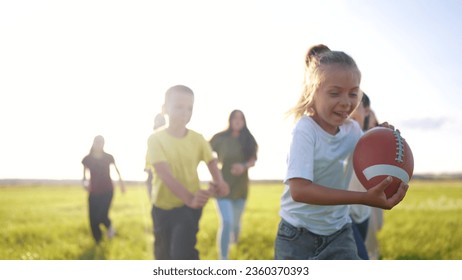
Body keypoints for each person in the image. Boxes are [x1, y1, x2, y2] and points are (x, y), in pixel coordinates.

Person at [274, 44, 408, 260]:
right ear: (312, 92)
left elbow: (369, 155)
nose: (346, 103)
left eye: (353, 94)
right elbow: (300, 191)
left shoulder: (353, 130)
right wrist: (363, 198)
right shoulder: (305, 130)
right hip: (297, 236)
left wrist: (381, 137)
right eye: (335, 93)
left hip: (339, 232)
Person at [146, 85, 229, 260]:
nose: (185, 112)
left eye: (189, 108)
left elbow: (211, 161)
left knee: (182, 253)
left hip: (188, 208)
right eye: (178, 107)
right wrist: (189, 197)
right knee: (163, 256)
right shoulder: (155, 139)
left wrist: (219, 182)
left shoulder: (197, 139)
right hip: (162, 207)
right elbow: (164, 173)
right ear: (164, 109)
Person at [210, 110, 258, 260]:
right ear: (229, 120)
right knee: (227, 222)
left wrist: (243, 166)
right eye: (235, 118)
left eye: (241, 118)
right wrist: (213, 170)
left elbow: (253, 160)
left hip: (241, 188)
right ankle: (223, 259)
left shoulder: (249, 140)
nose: (238, 121)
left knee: (235, 225)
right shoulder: (220, 138)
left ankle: (235, 242)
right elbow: (205, 151)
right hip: (223, 186)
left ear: (244, 122)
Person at [82, 135, 125, 244]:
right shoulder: (88, 158)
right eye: (97, 142)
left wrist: (121, 184)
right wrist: (84, 183)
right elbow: (84, 174)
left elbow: (117, 170)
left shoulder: (108, 157)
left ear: (103, 144)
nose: (99, 145)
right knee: (92, 218)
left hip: (107, 190)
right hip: (94, 191)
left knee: (102, 215)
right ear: (94, 143)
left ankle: (110, 228)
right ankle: (98, 240)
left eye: (101, 142)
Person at [144, 113, 166, 197]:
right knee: (151, 192)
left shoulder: (166, 136)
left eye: (160, 121)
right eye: (157, 121)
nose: (158, 123)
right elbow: (148, 153)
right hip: (151, 169)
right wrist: (146, 166)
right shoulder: (152, 136)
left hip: (162, 169)